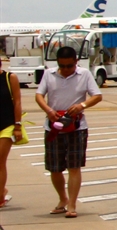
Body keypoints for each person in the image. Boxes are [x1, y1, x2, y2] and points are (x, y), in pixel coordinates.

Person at [34, 46, 103, 217]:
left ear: (76, 62)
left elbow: (97, 95)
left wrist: (82, 105)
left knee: (74, 166)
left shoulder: (84, 74)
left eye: (69, 66)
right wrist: (49, 111)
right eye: (62, 66)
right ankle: (62, 198)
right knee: (55, 167)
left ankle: (72, 204)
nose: (65, 70)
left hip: (76, 126)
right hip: (54, 124)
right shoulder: (49, 74)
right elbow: (39, 95)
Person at [0, 55, 24, 208]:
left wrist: (17, 126)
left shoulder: (10, 78)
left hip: (7, 125)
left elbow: (17, 101)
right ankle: (3, 190)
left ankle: (0, 197)